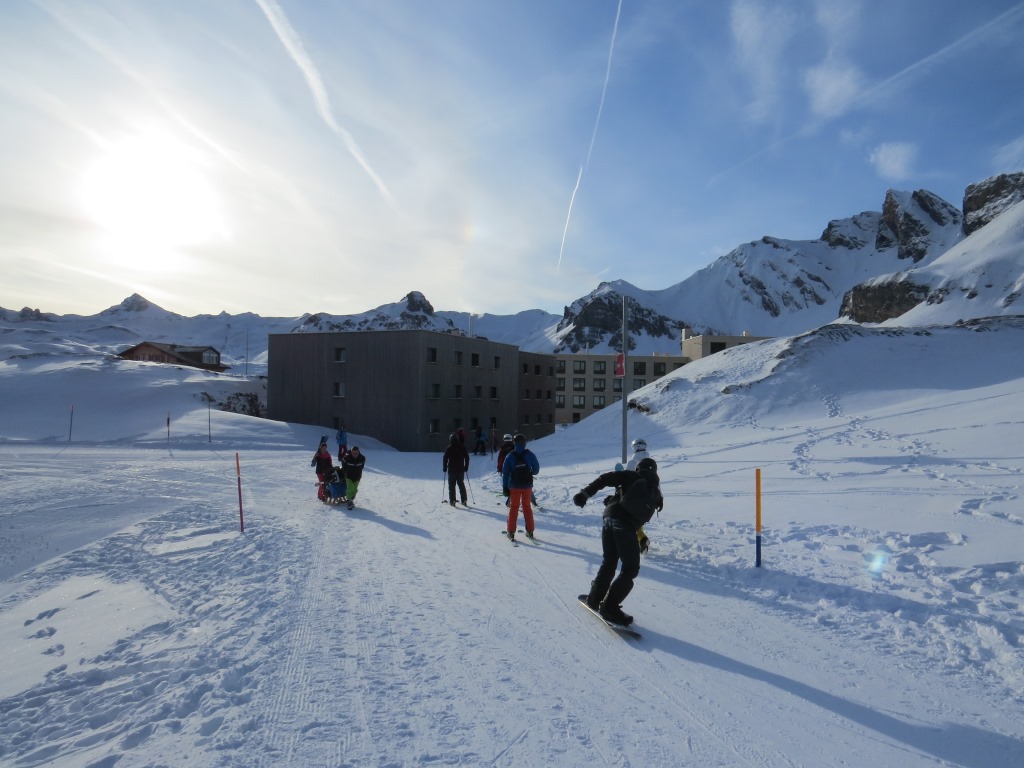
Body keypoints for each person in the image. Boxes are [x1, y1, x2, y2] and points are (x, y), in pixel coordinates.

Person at [573, 457, 663, 625]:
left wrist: (585, 494)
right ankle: (610, 608)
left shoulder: (631, 476)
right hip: (626, 525)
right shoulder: (656, 492)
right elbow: (638, 510)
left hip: (609, 518)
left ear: (638, 468)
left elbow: (604, 479)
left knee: (609, 561)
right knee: (630, 568)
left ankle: (594, 598)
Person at [501, 433, 540, 541]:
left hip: (514, 486)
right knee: (527, 507)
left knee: (514, 508)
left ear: (515, 443)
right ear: (524, 443)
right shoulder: (530, 454)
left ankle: (511, 532)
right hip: (527, 486)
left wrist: (505, 487)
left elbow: (505, 473)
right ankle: (530, 532)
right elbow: (536, 470)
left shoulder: (510, 456)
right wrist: (529, 472)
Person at [442, 433, 470, 506]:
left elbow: (445, 458)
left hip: (452, 470)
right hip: (460, 470)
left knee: (452, 486)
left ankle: (452, 501)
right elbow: (467, 457)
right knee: (461, 485)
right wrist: (466, 466)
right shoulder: (462, 447)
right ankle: (464, 500)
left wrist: (444, 467)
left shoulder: (449, 448)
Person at [341, 445, 366, 509]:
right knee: (350, 489)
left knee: (354, 490)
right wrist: (345, 472)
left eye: (356, 453)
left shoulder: (362, 458)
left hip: (357, 476)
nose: (355, 454)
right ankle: (349, 501)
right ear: (351, 452)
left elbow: (362, 466)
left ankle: (351, 499)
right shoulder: (347, 458)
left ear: (358, 452)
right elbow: (343, 466)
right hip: (349, 476)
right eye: (353, 453)